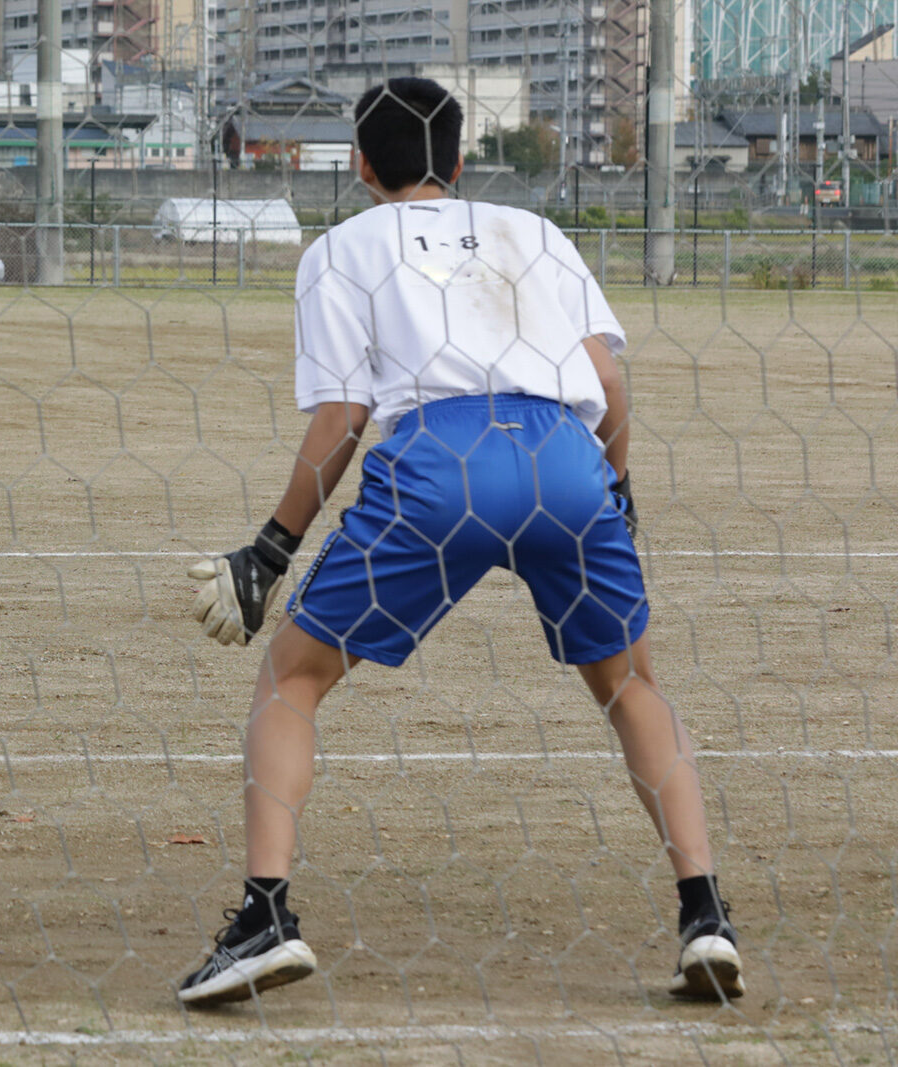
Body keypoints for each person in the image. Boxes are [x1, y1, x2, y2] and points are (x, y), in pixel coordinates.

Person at [179, 77, 743, 1008]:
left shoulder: (341, 248)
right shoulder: (534, 231)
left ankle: (266, 916)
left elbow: (345, 412)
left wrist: (272, 547)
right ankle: (706, 915)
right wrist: (618, 487)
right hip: (568, 456)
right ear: (461, 161)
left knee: (292, 679)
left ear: (360, 165)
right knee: (632, 684)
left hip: (441, 463)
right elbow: (607, 375)